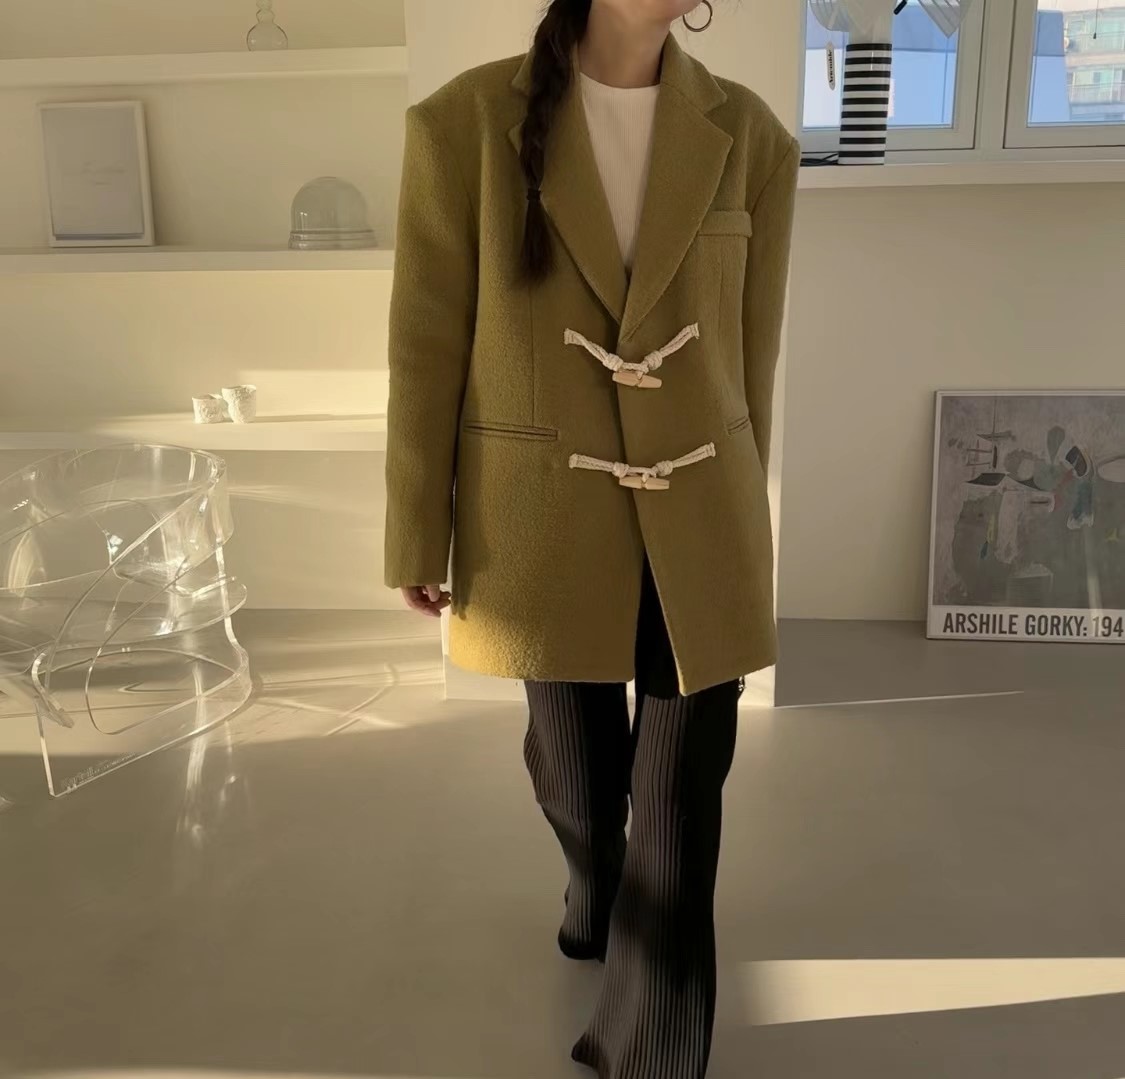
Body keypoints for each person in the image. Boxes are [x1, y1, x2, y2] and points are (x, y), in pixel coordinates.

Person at [384, 0, 799, 1073]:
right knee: (576, 775)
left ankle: (651, 1045)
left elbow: (752, 353)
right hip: (541, 514)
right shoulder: (460, 125)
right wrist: (416, 527)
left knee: (679, 792)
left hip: (700, 504)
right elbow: (426, 346)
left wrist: (745, 521)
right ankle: (594, 878)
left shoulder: (750, 136)